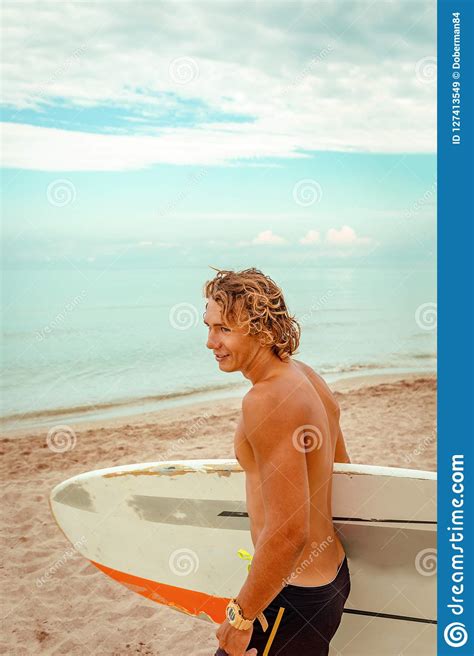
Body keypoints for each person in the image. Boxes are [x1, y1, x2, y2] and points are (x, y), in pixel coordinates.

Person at [202, 267, 352, 656]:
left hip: (292, 597)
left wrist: (240, 617)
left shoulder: (267, 399)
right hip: (330, 579)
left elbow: (288, 534)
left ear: (261, 329)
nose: (210, 342)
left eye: (223, 329)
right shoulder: (306, 376)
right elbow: (346, 472)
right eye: (208, 327)